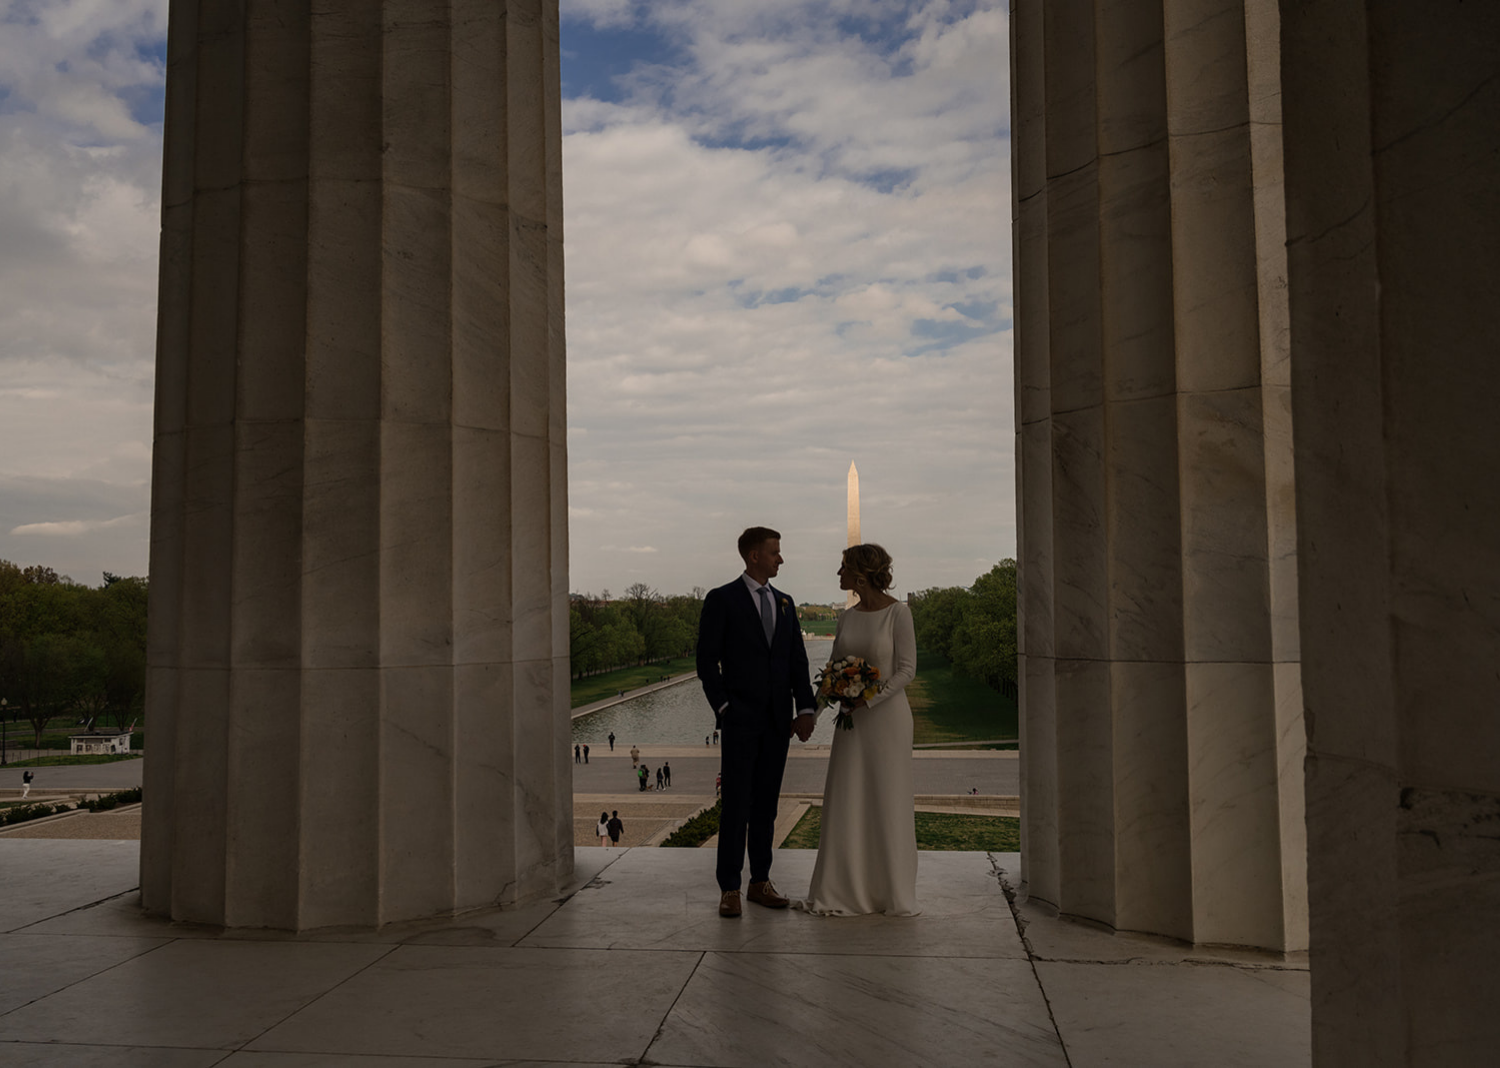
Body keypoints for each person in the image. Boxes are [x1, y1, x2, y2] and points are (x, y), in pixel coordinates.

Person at [697, 525, 817, 918]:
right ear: (754, 556)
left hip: (776, 723)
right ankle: (729, 886)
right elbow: (706, 662)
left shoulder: (785, 602)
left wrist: (805, 709)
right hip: (741, 720)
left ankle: (759, 881)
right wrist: (725, 708)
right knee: (735, 805)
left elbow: (797, 661)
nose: (780, 558)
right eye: (774, 552)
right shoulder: (722, 600)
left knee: (766, 805)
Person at [797, 543, 919, 917]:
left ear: (860, 575)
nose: (839, 575)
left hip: (886, 721)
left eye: (843, 568)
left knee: (886, 800)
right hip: (850, 723)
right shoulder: (847, 618)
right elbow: (833, 671)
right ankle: (841, 888)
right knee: (847, 797)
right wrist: (811, 713)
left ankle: (889, 892)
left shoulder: (899, 613)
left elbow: (906, 670)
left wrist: (869, 699)